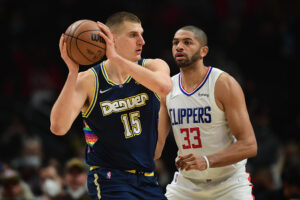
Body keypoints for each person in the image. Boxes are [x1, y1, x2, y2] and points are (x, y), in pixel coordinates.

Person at [50, 11, 172, 200]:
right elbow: (58, 127)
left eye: (141, 34)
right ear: (111, 39)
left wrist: (116, 59)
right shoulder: (88, 80)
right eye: (133, 35)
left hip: (148, 178)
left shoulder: (154, 66)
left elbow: (164, 87)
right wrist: (73, 73)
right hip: (110, 179)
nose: (142, 41)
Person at [155, 25, 257, 200]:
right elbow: (156, 147)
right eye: (175, 43)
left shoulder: (223, 84)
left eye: (187, 42)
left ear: (203, 51)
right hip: (186, 185)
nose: (179, 47)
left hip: (229, 183)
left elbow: (249, 145)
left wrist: (207, 160)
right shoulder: (167, 89)